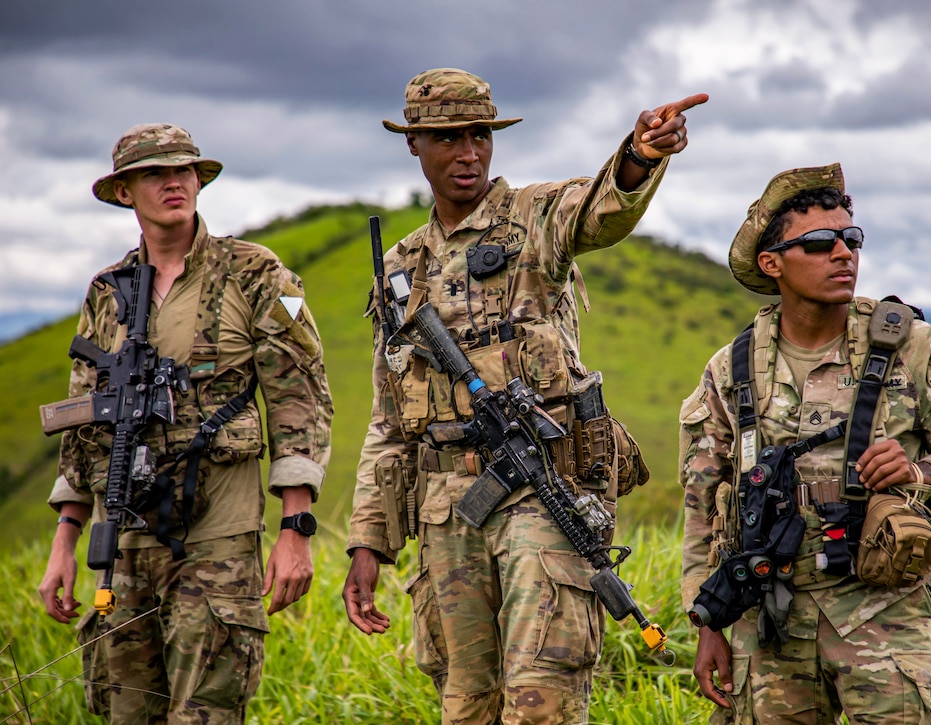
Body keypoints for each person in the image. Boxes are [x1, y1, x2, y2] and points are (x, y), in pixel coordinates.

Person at [342, 67, 707, 723]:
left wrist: (640, 154)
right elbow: (389, 419)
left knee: (543, 701)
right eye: (449, 138)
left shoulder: (535, 217)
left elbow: (601, 208)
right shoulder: (398, 268)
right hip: (444, 506)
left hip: (544, 484)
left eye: (479, 134)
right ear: (414, 144)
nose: (469, 152)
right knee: (466, 703)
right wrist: (368, 541)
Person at [679, 163, 931, 724]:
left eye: (850, 238)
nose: (843, 253)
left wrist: (921, 473)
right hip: (767, 621)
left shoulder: (915, 347)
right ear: (772, 263)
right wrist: (708, 623)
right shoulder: (732, 370)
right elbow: (702, 500)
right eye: (818, 242)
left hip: (882, 609)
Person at [37, 123, 333, 723]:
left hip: (216, 533)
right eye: (154, 173)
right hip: (120, 539)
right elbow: (83, 420)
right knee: (125, 712)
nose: (175, 182)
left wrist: (296, 527)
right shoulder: (108, 290)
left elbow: (298, 395)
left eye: (185, 170)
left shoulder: (254, 273)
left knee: (206, 712)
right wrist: (65, 540)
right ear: (124, 192)